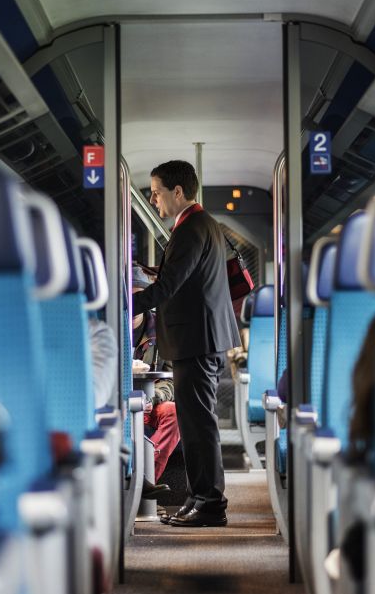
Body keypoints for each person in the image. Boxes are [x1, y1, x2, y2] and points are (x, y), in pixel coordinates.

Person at [132, 160, 241, 527]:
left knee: (199, 425)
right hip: (200, 337)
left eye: (157, 191)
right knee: (196, 423)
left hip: (197, 340)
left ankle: (210, 503)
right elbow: (180, 278)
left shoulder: (191, 227)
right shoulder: (199, 224)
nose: (153, 198)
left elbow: (169, 287)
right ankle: (199, 497)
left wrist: (124, 304)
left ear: (177, 192)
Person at [131, 265, 180, 497]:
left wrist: (153, 397)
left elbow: (172, 377)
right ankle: (137, 480)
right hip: (119, 403)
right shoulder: (105, 329)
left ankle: (146, 477)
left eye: (137, 295)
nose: (133, 302)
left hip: (151, 402)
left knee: (173, 412)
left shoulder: (161, 329)